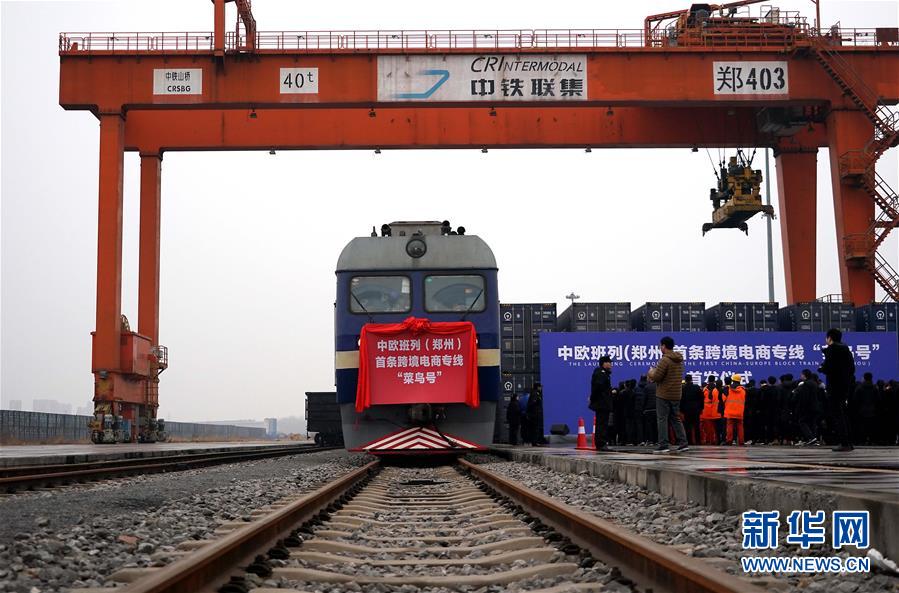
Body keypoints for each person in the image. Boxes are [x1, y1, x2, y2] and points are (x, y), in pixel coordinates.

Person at [647, 336, 688, 454]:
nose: (660, 348)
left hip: (663, 394)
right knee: (676, 419)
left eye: (660, 346)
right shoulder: (679, 359)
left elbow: (657, 377)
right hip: (676, 394)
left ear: (664, 346)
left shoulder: (665, 360)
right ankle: (683, 443)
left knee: (662, 419)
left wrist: (651, 372)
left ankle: (663, 445)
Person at [818, 328, 855, 452]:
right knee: (843, 414)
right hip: (845, 386)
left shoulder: (833, 349)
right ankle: (849, 442)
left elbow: (828, 368)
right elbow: (852, 369)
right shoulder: (846, 350)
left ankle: (843, 443)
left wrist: (822, 368)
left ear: (829, 338)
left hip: (835, 387)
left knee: (837, 415)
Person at [589, 355, 614, 451]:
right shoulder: (600, 373)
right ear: (604, 363)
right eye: (609, 362)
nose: (611, 364)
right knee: (601, 424)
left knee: (602, 423)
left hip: (604, 403)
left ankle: (601, 443)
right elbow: (597, 388)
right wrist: (593, 399)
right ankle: (601, 443)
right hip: (602, 403)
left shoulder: (605, 373)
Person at [793, 369, 820, 445]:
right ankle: (814, 439)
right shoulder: (814, 383)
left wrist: (802, 407)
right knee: (812, 423)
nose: (801, 376)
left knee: (802, 421)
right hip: (815, 406)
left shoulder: (806, 384)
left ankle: (811, 438)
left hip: (808, 407)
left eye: (801, 374)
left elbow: (805, 397)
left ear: (804, 375)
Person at [851, 372, 878, 445]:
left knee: (862, 426)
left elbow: (855, 400)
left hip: (862, 410)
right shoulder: (875, 388)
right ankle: (872, 440)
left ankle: (862, 440)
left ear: (864, 378)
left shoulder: (859, 388)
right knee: (871, 426)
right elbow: (877, 400)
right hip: (872, 410)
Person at [723, 374, 746, 445]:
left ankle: (729, 441)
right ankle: (741, 441)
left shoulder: (728, 389)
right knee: (740, 427)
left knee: (729, 427)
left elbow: (723, 399)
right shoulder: (743, 390)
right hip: (739, 412)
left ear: (732, 380)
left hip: (730, 412)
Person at [680, 374, 704, 445]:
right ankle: (698, 441)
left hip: (686, 410)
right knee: (696, 426)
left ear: (686, 380)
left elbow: (681, 400)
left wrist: (681, 410)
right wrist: (701, 408)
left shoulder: (683, 388)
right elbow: (701, 399)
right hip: (696, 409)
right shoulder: (697, 388)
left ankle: (689, 441)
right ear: (691, 379)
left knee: (687, 426)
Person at [700, 375, 721, 445]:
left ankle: (709, 440)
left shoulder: (704, 389)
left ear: (708, 380)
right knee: (715, 428)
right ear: (714, 380)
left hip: (706, 411)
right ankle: (714, 440)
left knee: (708, 428)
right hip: (715, 411)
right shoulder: (717, 389)